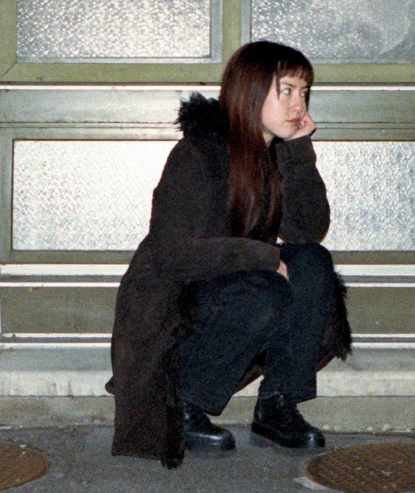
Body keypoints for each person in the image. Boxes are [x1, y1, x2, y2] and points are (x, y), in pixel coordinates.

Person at [105, 40, 351, 469]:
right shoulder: (198, 154)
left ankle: (278, 403)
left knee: (313, 263)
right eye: (286, 90)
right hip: (171, 304)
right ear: (251, 91)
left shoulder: (275, 155)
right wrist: (262, 257)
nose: (299, 104)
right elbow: (172, 256)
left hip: (232, 289)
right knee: (263, 291)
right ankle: (184, 404)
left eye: (304, 92)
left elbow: (307, 231)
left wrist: (298, 154)